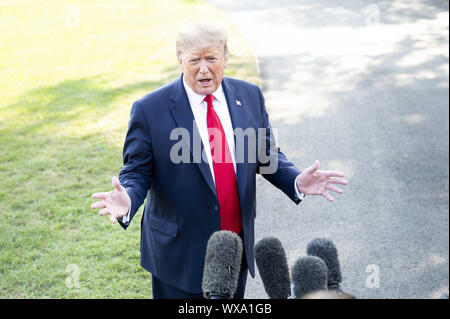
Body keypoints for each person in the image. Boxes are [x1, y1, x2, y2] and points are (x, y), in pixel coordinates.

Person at [90, 22, 348, 299]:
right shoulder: (150, 109)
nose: (204, 68)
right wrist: (128, 197)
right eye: (194, 60)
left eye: (211, 58)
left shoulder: (249, 96)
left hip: (232, 249)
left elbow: (263, 152)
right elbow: (138, 171)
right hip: (178, 257)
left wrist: (295, 179)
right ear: (179, 61)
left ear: (225, 57)